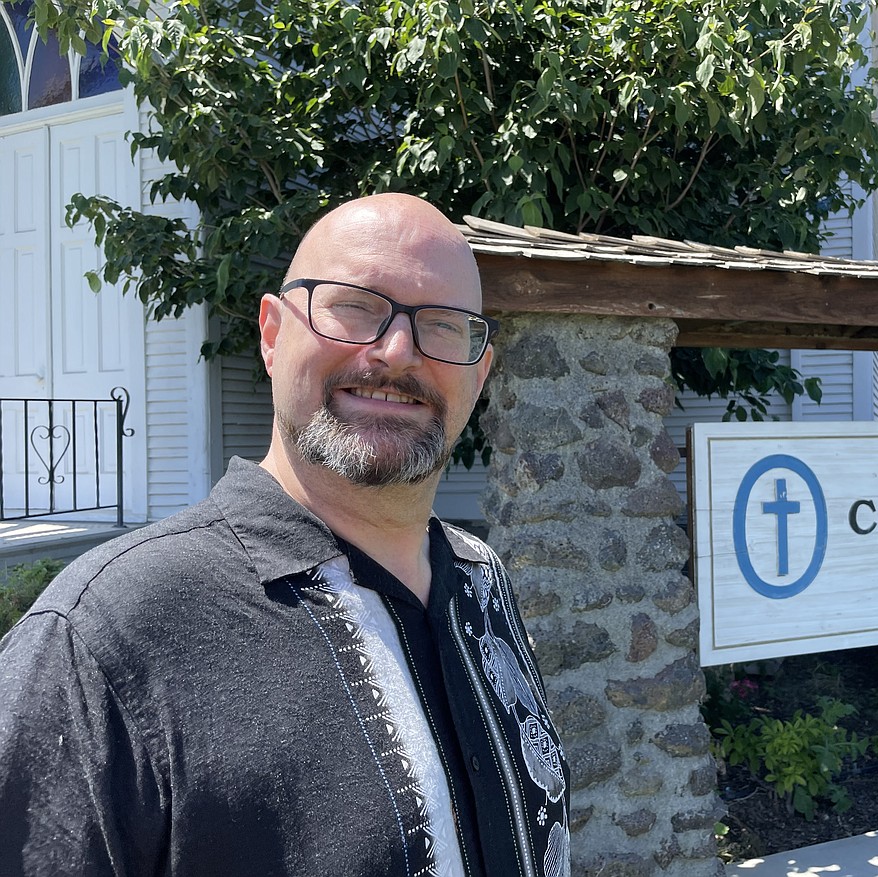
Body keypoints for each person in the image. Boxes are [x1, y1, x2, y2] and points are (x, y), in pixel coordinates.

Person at [0, 194, 569, 877]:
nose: (395, 352)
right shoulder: (107, 633)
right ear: (272, 333)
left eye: (444, 325)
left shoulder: (481, 580)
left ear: (478, 373)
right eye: (355, 305)